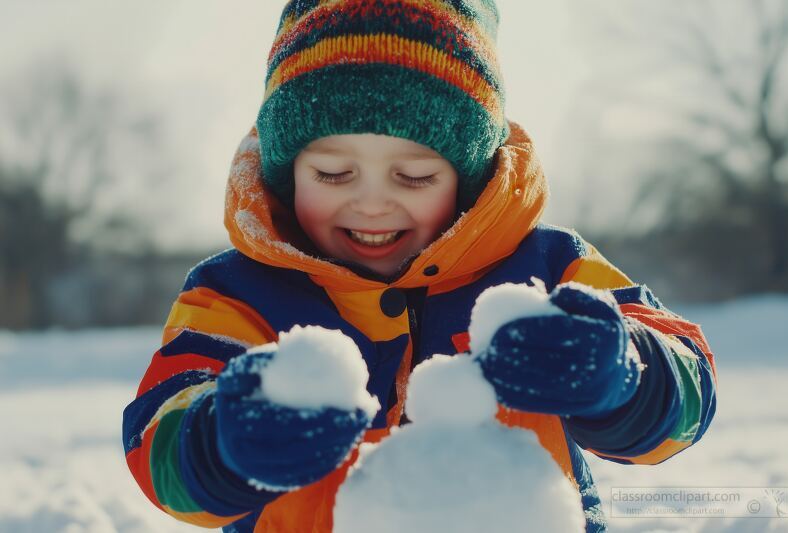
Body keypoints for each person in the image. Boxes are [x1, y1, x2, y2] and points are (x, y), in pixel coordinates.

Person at [122, 2, 718, 532]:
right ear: (287, 172)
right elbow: (157, 438)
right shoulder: (238, 294)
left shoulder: (548, 268)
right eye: (333, 174)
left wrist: (618, 376)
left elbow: (691, 391)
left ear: (468, 177)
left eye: (415, 176)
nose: (373, 202)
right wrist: (226, 441)